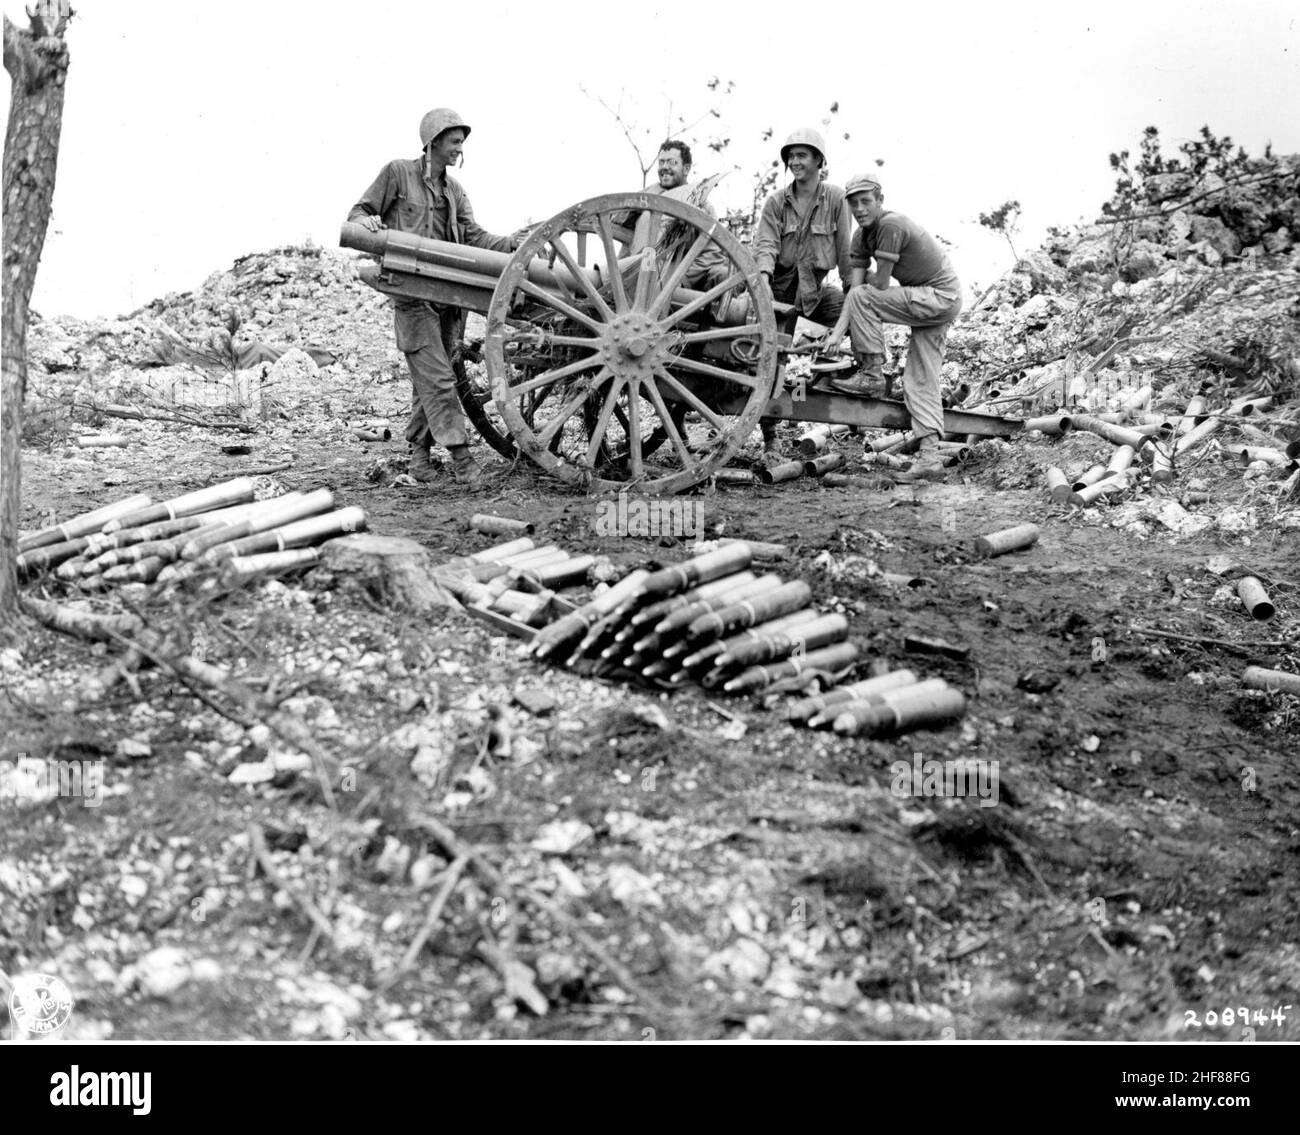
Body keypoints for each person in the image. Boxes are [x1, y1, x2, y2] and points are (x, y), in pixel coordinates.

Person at [347, 108, 526, 486]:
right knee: (440, 378)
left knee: (426, 380)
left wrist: (510, 244)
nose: (459, 149)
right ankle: (463, 461)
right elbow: (359, 212)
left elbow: (474, 236)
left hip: (450, 299)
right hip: (411, 295)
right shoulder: (397, 173)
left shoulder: (455, 190)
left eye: (462, 142)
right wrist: (368, 222)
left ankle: (420, 458)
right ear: (433, 141)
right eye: (454, 141)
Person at [823, 173, 963, 478]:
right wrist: (835, 334)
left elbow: (878, 286)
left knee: (863, 294)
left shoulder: (890, 225)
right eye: (853, 204)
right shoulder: (860, 238)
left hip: (940, 295)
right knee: (920, 377)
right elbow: (854, 293)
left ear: (880, 201)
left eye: (866, 202)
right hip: (928, 299)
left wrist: (858, 291)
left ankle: (872, 374)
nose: (859, 209)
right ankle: (929, 459)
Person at [751, 128, 853, 463]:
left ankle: (832, 382)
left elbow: (845, 252)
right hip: (779, 293)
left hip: (813, 292)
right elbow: (765, 244)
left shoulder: (836, 200)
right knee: (769, 363)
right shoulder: (777, 203)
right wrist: (763, 279)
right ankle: (770, 441)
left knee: (845, 309)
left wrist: (856, 293)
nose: (795, 162)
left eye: (802, 155)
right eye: (791, 156)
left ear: (819, 161)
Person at [627, 140, 728, 290]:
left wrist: (680, 280)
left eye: (672, 162)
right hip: (641, 273)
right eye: (661, 162)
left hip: (680, 280)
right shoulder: (645, 198)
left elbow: (712, 253)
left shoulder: (703, 207)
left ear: (686, 169)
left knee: (722, 273)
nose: (664, 167)